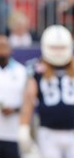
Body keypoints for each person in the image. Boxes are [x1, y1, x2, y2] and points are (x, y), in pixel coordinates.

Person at [19, 25, 74, 158]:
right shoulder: (36, 68)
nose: (58, 52)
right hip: (48, 132)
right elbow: (29, 99)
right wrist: (24, 127)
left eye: (61, 48)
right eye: (55, 48)